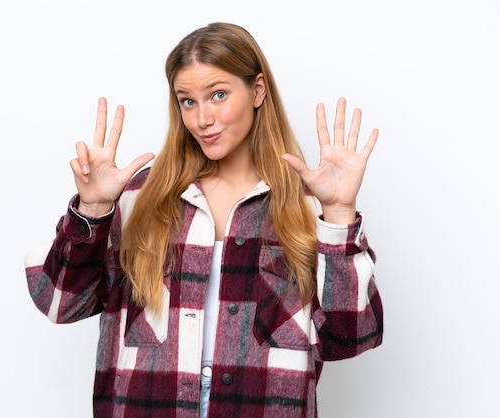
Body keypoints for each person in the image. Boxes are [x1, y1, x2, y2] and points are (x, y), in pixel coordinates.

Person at [24, 21, 383, 418]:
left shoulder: (308, 205)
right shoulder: (139, 197)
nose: (202, 119)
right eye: (188, 101)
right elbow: (59, 303)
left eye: (218, 94)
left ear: (258, 90)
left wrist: (339, 214)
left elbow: (350, 337)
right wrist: (92, 210)